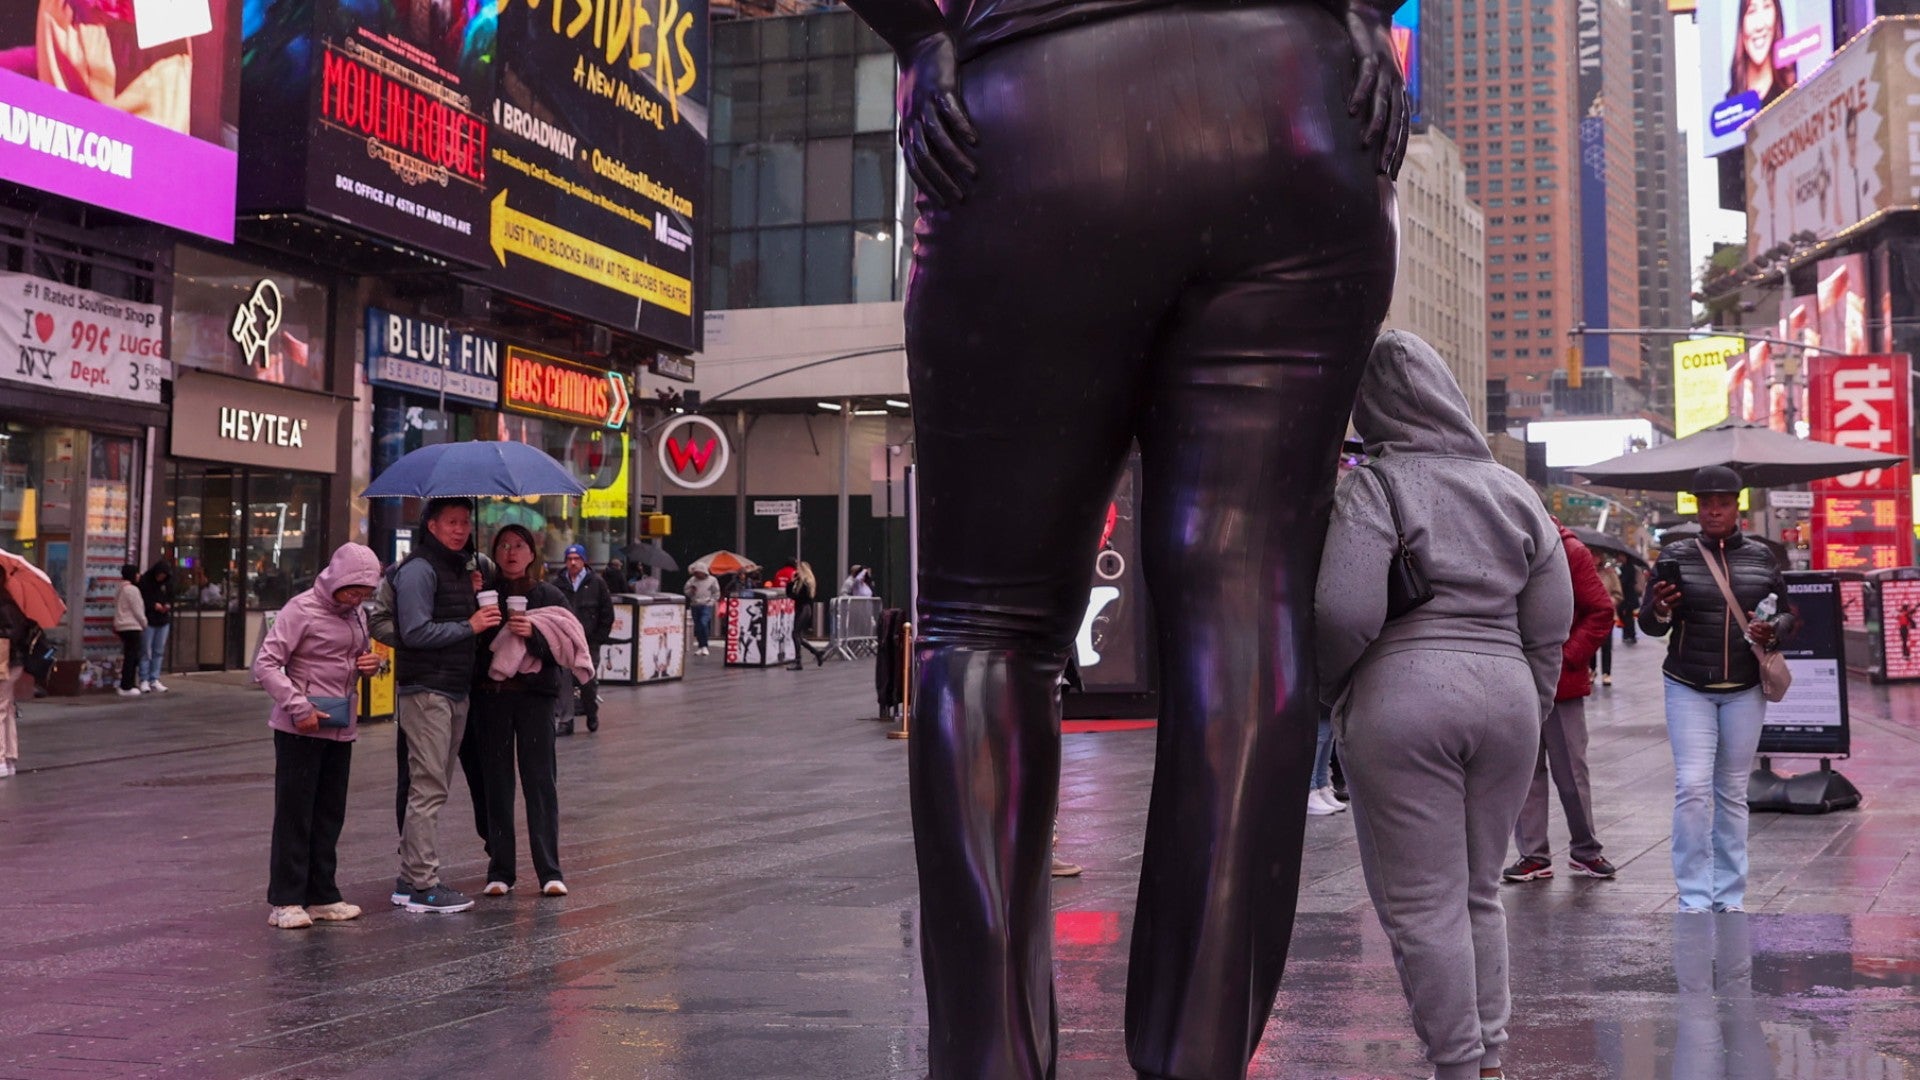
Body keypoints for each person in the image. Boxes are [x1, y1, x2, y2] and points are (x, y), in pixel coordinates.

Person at [838, 0, 1407, 1064]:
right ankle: (1197, 1053)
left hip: (1041, 109)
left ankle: (994, 1055)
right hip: (1299, 107)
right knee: (1248, 605)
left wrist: (919, 37)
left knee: (986, 627)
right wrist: (1369, 16)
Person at [1317, 332, 1571, 1080]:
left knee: (1423, 903)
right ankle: (1488, 1058)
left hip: (1403, 695)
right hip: (1509, 695)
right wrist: (1531, 702)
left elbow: (1343, 612)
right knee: (1479, 893)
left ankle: (1457, 1067)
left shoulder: (1375, 486)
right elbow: (1550, 623)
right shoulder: (1514, 491)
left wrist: (1333, 691)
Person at [1640, 466, 1797, 914]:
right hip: (1688, 684)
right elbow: (1650, 624)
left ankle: (1729, 894)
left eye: (1722, 503)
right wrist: (1661, 608)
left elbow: (1789, 615)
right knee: (1692, 787)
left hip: (1744, 688)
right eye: (1705, 503)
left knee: (1731, 791)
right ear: (1696, 506)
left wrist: (1772, 629)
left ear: (1736, 506)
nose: (1713, 511)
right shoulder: (1676, 554)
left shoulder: (1764, 557)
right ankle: (1693, 895)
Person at [252, 543, 385, 930]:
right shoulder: (301, 609)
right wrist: (299, 706)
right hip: (301, 727)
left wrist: (371, 664)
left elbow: (354, 658)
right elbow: (266, 664)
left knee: (329, 813)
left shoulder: (357, 614)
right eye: (353, 590)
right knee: (296, 812)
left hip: (340, 725)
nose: (357, 598)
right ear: (337, 580)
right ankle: (286, 899)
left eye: (365, 592)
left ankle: (322, 894)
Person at [391, 497, 500, 915]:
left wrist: (469, 595)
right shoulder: (419, 569)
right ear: (432, 526)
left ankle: (410, 878)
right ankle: (422, 883)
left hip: (453, 688)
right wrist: (470, 624)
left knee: (434, 784)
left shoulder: (457, 567)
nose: (460, 530)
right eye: (452, 522)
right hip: (428, 689)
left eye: (465, 522)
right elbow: (415, 632)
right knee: (428, 786)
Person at [1503, 523, 1620, 886]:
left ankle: (1585, 849)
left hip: (1560, 684)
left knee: (1570, 771)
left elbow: (1601, 611)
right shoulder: (1501, 542)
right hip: (1515, 678)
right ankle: (1533, 855)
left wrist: (1567, 657)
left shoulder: (1568, 550)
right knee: (1524, 772)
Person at [472, 525, 574, 898]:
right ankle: (500, 870)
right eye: (503, 545)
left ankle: (550, 871)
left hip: (535, 699)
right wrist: (479, 615)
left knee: (540, 782)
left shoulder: (549, 595)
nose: (511, 552)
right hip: (492, 698)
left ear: (532, 553)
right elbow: (470, 647)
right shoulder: (483, 594)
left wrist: (533, 634)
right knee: (496, 783)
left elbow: (566, 645)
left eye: (519, 545)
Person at [553, 544, 613, 734]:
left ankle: (591, 711)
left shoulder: (597, 583)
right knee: (564, 680)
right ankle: (566, 720)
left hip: (588, 642)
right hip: (565, 642)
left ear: (584, 561)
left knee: (587, 681)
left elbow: (607, 612)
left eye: (576, 559)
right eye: (569, 559)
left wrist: (598, 638)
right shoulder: (558, 584)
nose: (573, 563)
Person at [1726, 0, 1795, 108]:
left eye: (1766, 7)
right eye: (1751, 11)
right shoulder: (1729, 107)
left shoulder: (1794, 84)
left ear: (1777, 15)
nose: (1759, 26)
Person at [0, 575, 30, 778]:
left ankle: (1, 759)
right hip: (14, 662)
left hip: (4, 661)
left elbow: (7, 635)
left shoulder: (3, 605)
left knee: (1, 708)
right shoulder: (12, 602)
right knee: (7, 707)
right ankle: (10, 757)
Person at [137, 561, 173, 693]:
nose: (161, 577)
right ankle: (144, 679)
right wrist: (153, 605)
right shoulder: (145, 582)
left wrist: (167, 605)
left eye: (164, 575)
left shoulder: (167, 584)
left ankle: (154, 678)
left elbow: (171, 597)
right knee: (146, 651)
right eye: (160, 575)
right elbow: (141, 600)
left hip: (163, 620)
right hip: (149, 620)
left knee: (158, 650)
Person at [112, 563, 146, 699]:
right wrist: (144, 622)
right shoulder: (132, 590)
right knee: (132, 657)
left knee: (130, 655)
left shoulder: (120, 588)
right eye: (137, 573)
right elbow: (138, 610)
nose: (139, 576)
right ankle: (126, 685)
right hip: (132, 625)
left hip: (121, 626)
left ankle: (128, 684)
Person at [786, 561, 827, 669]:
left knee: (795, 634)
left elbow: (793, 596)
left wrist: (791, 583)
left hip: (802, 609)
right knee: (798, 635)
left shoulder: (803, 583)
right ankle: (816, 652)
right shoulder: (809, 582)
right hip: (805, 609)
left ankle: (798, 661)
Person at [1591, 556, 1623, 687]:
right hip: (1590, 613)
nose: (1594, 558)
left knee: (1606, 645)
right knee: (1590, 644)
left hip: (1607, 613)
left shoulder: (1610, 573)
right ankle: (1591, 670)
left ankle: (1606, 673)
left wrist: (1611, 600)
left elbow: (1618, 594)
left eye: (1596, 555)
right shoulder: (1587, 571)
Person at [685, 567, 719, 657]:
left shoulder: (712, 580)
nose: (696, 575)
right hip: (695, 605)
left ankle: (704, 645)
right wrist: (691, 591)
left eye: (698, 573)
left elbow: (716, 592)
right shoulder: (692, 580)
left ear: (703, 572)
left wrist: (711, 602)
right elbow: (686, 591)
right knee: (698, 626)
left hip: (706, 605)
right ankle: (701, 646)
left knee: (703, 623)